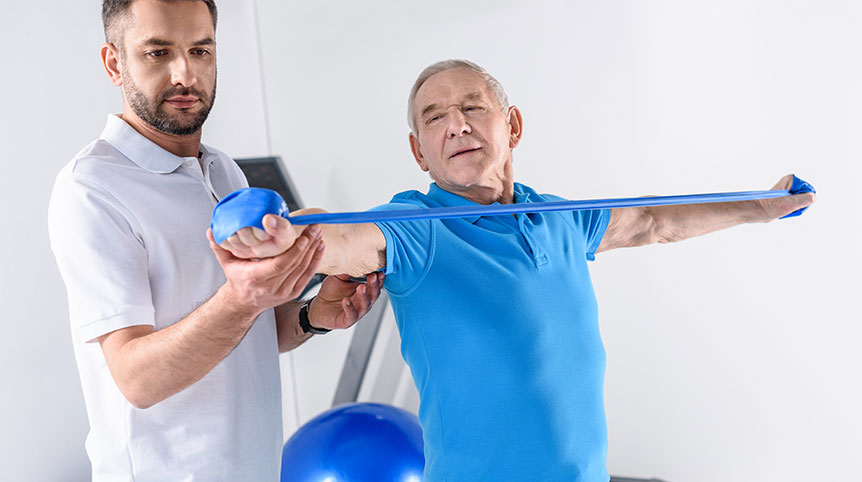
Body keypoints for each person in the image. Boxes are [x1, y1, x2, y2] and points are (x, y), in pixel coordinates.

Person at [220, 59, 815, 481]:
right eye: (435, 118)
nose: (456, 124)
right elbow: (341, 234)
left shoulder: (559, 217)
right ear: (418, 151)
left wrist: (759, 209)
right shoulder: (414, 227)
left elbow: (653, 221)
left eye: (472, 107)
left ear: (513, 126)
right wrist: (285, 231)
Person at [47, 1, 383, 480]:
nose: (185, 74)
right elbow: (136, 379)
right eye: (158, 53)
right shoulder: (91, 189)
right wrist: (245, 300)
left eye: (200, 50)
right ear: (114, 63)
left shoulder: (224, 170)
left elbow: (240, 338)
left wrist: (310, 315)